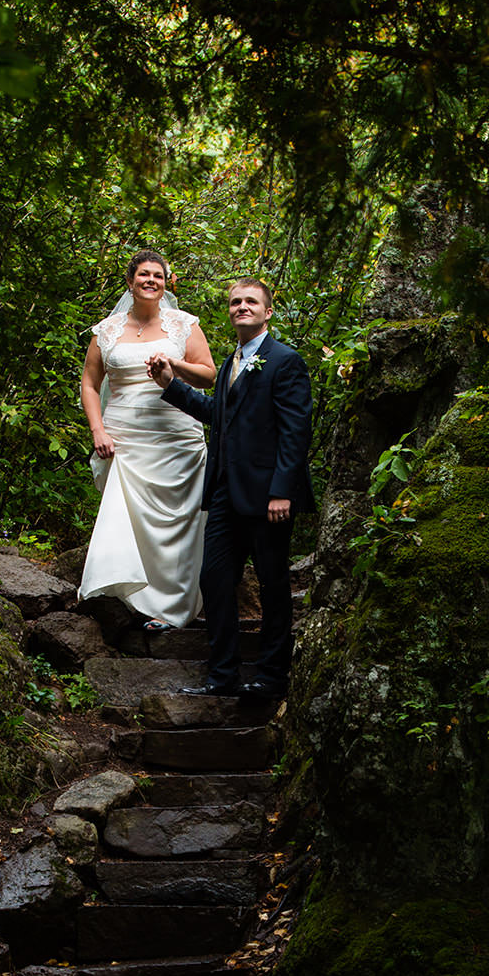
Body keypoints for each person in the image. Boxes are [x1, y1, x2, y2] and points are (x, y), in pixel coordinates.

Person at [148, 276, 315, 696]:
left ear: (268, 311)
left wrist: (283, 491)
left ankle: (272, 677)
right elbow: (216, 415)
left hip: (267, 496)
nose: (242, 307)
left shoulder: (285, 361)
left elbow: (296, 432)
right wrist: (172, 385)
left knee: (274, 584)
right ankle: (222, 676)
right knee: (215, 578)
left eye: (251, 302)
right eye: (236, 302)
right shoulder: (230, 363)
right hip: (224, 493)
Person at [77, 250, 216, 631]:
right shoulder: (106, 331)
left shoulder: (184, 325)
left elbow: (208, 376)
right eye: (143, 274)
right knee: (129, 521)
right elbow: (90, 385)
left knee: (178, 524)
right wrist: (98, 431)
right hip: (124, 439)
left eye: (158, 275)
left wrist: (174, 368)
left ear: (166, 282)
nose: (150, 280)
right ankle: (129, 597)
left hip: (177, 438)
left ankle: (174, 607)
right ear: (130, 282)